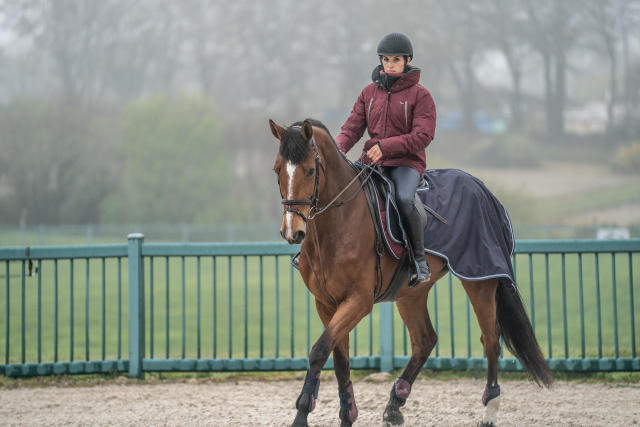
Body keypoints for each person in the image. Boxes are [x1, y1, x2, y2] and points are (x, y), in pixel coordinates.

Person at [335, 32, 436, 285]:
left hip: (406, 163)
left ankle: (420, 261)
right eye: (386, 60)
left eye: (395, 60)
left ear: (407, 60)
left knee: (403, 199)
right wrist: (337, 151)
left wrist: (386, 146)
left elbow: (423, 135)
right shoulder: (368, 93)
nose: (390, 65)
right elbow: (351, 129)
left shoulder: (421, 95)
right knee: (339, 192)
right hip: (372, 162)